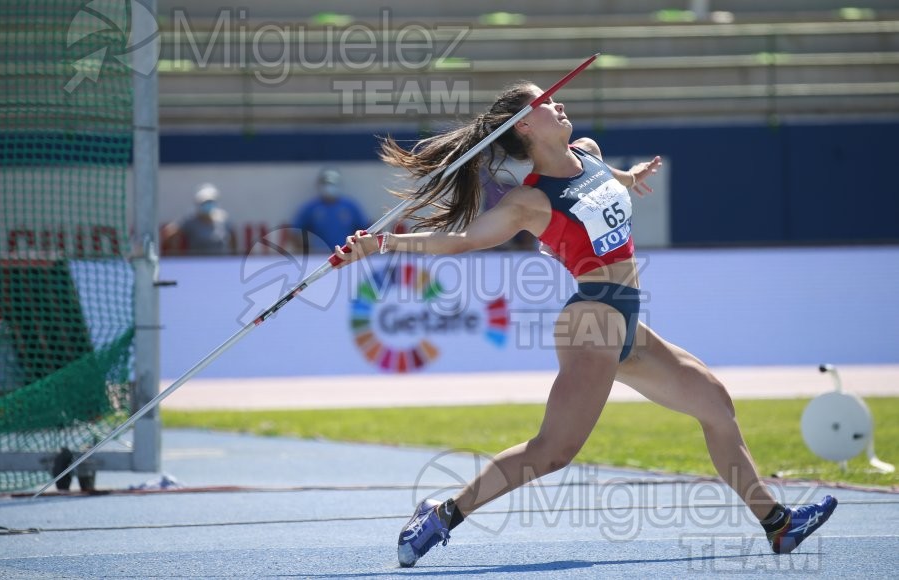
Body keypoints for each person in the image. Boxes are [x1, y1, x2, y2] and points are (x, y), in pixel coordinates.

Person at [335, 82, 838, 567]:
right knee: (552, 452)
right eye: (545, 103)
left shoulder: (589, 152)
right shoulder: (528, 201)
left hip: (627, 323)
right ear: (525, 128)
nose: (558, 104)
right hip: (591, 321)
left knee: (715, 405)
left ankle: (777, 524)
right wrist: (381, 244)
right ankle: (442, 515)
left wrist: (629, 178)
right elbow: (463, 240)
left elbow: (603, 179)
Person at [291, 168, 369, 253]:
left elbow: (364, 229)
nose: (329, 188)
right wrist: (305, 252)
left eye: (332, 184)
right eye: (326, 184)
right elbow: (296, 232)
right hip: (319, 256)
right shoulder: (311, 208)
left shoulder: (350, 207)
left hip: (346, 254)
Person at [161, 183, 237, 255]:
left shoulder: (223, 218)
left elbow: (233, 237)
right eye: (205, 202)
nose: (208, 205)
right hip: (197, 264)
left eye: (210, 201)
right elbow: (170, 232)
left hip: (221, 263)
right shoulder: (190, 221)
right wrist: (174, 254)